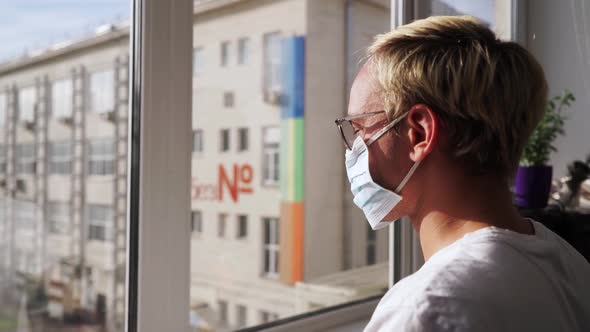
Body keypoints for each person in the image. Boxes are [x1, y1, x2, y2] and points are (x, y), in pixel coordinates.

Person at [336, 15, 590, 331]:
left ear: (418, 132)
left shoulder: (425, 310)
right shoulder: (567, 262)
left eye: (358, 127)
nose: (353, 147)